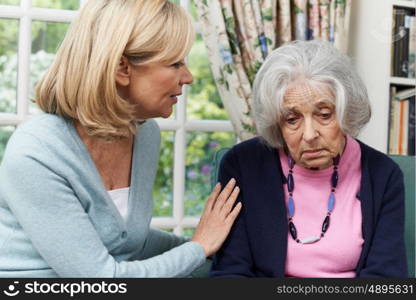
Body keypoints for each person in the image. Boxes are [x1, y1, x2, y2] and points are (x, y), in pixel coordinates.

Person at [0, 0, 242, 277]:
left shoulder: (143, 133)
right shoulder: (36, 153)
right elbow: (101, 279)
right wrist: (199, 247)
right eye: (175, 63)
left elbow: (128, 240)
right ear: (122, 68)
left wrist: (213, 251)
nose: (188, 77)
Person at [211, 40, 408, 278]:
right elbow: (231, 272)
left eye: (324, 115)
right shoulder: (242, 165)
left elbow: (386, 277)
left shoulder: (383, 175)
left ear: (346, 111)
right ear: (277, 122)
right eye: (292, 119)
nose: (309, 135)